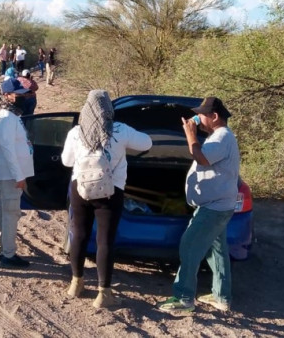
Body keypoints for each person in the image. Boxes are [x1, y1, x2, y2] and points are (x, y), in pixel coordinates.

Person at [61, 90, 152, 309]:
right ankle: (104, 294)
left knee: (79, 235)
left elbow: (66, 161)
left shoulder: (76, 132)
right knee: (105, 241)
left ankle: (76, 283)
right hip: (110, 191)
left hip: (80, 188)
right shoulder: (120, 130)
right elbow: (147, 143)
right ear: (108, 109)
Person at [158, 97, 240, 314]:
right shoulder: (221, 137)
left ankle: (184, 298)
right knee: (218, 251)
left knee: (189, 246)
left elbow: (201, 157)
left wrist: (190, 133)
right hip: (220, 206)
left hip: (214, 208)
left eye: (201, 115)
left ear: (214, 116)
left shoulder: (222, 137)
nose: (198, 118)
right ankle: (221, 296)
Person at [0, 77, 35, 268]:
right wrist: (19, 176)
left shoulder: (8, 115)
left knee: (2, 212)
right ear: (6, 95)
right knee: (10, 214)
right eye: (18, 94)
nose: (22, 97)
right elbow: (8, 149)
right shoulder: (6, 118)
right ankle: (8, 254)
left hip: (7, 174)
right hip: (10, 175)